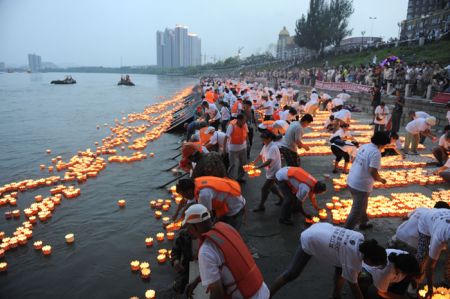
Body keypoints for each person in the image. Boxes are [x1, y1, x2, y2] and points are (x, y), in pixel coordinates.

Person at [270, 223, 387, 299]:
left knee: (341, 268)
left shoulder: (359, 236)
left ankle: (336, 295)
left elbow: (345, 260)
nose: (373, 267)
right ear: (368, 259)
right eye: (374, 265)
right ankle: (267, 295)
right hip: (310, 239)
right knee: (292, 273)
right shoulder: (352, 262)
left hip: (320, 227)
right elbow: (355, 289)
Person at [183, 204, 270, 299]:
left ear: (195, 226)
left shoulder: (206, 251)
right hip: (262, 290)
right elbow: (228, 265)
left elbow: (218, 294)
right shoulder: (226, 228)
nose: (187, 231)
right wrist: (197, 280)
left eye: (188, 226)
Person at [345, 131, 390, 230]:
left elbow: (354, 159)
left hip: (351, 179)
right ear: (381, 143)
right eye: (385, 145)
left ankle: (363, 223)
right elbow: (372, 171)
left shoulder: (365, 146)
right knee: (356, 211)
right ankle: (346, 231)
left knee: (362, 204)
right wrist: (381, 179)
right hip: (360, 185)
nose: (385, 147)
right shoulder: (376, 153)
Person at [175, 177, 245, 230]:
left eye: (183, 194)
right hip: (227, 202)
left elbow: (207, 216)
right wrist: (179, 216)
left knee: (229, 232)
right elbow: (188, 204)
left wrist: (188, 226)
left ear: (189, 191)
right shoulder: (195, 184)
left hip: (235, 207)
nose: (184, 197)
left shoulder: (203, 194)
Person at [416, 208, 450, 298]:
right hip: (426, 220)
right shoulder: (439, 237)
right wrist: (430, 289)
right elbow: (430, 266)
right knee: (422, 256)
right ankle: (415, 281)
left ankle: (447, 281)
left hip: (443, 214)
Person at [251, 131, 284, 212]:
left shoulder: (273, 147)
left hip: (274, 171)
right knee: (272, 187)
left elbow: (269, 161)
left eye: (263, 139)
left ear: (269, 139)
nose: (262, 141)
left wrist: (258, 167)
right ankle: (282, 198)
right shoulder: (266, 145)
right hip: (270, 170)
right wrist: (254, 162)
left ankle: (261, 206)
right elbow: (261, 155)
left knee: (264, 189)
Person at [224, 113, 249, 182]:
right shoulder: (231, 126)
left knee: (243, 163)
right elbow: (226, 137)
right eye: (244, 120)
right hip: (233, 149)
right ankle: (230, 179)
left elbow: (246, 134)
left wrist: (248, 143)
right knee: (233, 165)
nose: (245, 122)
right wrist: (224, 149)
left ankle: (240, 177)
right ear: (239, 120)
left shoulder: (244, 124)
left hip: (243, 147)